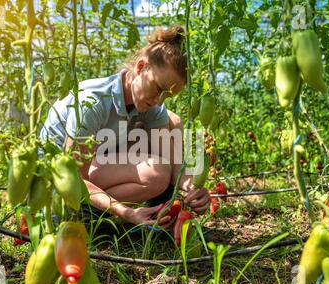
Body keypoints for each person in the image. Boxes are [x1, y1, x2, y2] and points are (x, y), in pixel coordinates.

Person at [40, 25, 210, 228]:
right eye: (158, 89)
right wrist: (127, 212)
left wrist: (194, 189)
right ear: (140, 68)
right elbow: (74, 178)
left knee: (173, 122)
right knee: (156, 172)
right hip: (57, 182)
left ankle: (150, 211)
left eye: (168, 96)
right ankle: (83, 214)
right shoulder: (92, 103)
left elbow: (173, 161)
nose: (159, 101)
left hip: (95, 163)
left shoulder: (150, 103)